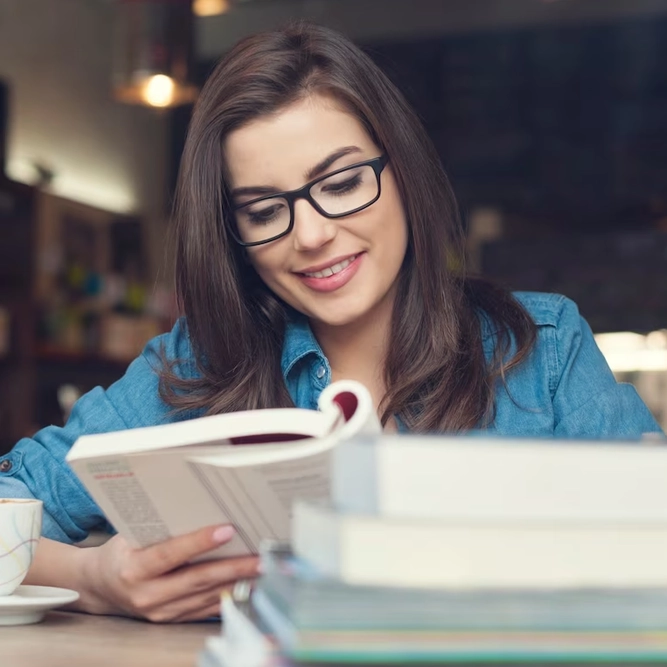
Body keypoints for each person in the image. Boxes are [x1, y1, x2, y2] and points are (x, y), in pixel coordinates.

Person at [1, 21, 663, 622]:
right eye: (263, 211)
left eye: (342, 183)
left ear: (400, 169)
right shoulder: (199, 362)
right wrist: (93, 578)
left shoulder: (543, 350)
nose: (312, 234)